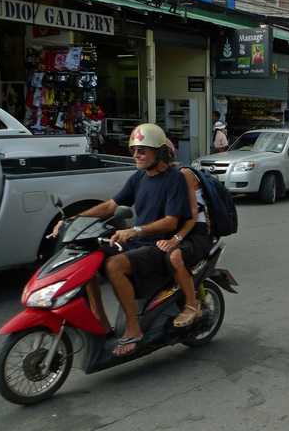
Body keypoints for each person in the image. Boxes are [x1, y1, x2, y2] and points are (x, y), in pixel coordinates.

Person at [54, 124, 192, 355]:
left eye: (142, 150)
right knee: (87, 257)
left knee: (113, 265)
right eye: (134, 150)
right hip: (137, 243)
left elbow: (171, 222)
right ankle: (101, 321)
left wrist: (136, 231)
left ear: (158, 152)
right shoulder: (138, 177)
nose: (136, 155)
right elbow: (110, 206)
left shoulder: (174, 179)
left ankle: (133, 328)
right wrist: (73, 218)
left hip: (158, 245)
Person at [157, 140, 215, 328]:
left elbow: (193, 214)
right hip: (177, 228)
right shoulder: (155, 177)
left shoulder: (182, 175)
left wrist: (176, 238)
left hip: (197, 231)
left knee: (174, 256)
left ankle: (192, 304)